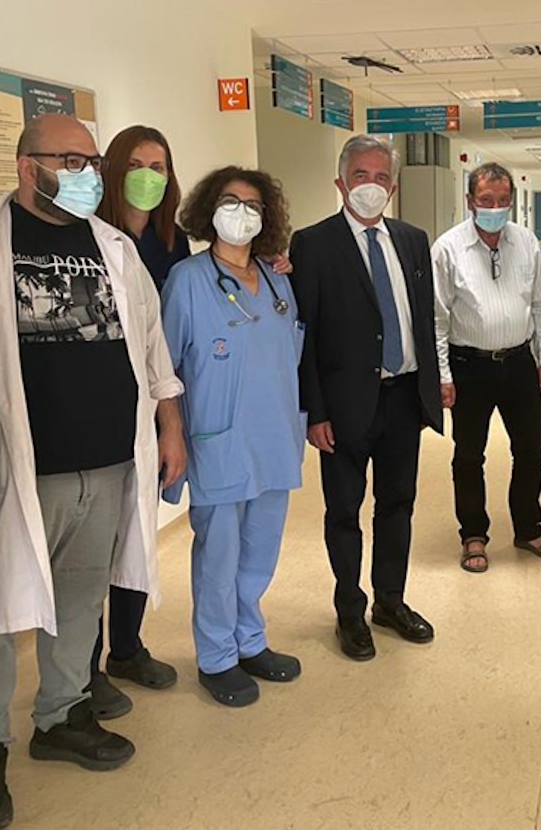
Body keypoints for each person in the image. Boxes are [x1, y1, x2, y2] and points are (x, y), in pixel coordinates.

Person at [0, 114, 185, 830]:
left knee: (81, 598)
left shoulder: (113, 246)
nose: (90, 174)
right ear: (29, 166)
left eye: (93, 161)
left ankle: (61, 715)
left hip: (110, 460)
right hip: (19, 469)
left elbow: (151, 348)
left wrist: (169, 426)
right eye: (72, 160)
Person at [289, 134, 443, 661]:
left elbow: (423, 319)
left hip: (403, 398)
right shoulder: (313, 244)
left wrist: (430, 388)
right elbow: (305, 335)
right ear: (341, 182)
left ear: (393, 187)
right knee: (344, 511)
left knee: (398, 505)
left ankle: (390, 602)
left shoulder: (412, 240)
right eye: (361, 176)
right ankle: (350, 611)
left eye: (381, 178)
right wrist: (315, 411)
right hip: (344, 406)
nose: (371, 186)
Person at [160, 167, 304, 707]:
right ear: (209, 210)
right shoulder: (188, 280)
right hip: (218, 439)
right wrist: (171, 433)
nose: (241, 213)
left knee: (260, 550)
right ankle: (217, 655)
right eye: (230, 201)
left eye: (252, 205)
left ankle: (250, 640)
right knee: (218, 555)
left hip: (274, 437)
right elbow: (165, 369)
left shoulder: (277, 278)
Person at [84, 125, 190, 717]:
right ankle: (84, 668)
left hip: (156, 404)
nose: (148, 176)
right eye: (136, 164)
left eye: (159, 166)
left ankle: (127, 647)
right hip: (102, 407)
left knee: (137, 533)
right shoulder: (89, 236)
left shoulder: (172, 241)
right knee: (94, 548)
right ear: (111, 169)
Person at [431, 163, 541, 573]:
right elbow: (436, 319)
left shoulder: (526, 241)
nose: (495, 208)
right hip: (469, 365)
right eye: (486, 200)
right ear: (470, 201)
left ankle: (529, 528)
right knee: (469, 455)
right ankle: (473, 534)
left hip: (520, 362)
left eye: (503, 200)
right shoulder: (448, 248)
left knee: (531, 450)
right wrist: (443, 375)